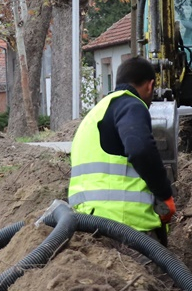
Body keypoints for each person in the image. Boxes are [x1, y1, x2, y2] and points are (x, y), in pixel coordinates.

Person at [67, 57, 176, 245]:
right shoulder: (131, 105)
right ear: (150, 86)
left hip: (88, 224)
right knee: (154, 275)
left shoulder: (96, 113)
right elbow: (141, 149)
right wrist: (164, 194)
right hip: (126, 224)